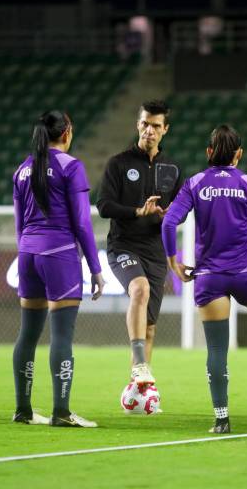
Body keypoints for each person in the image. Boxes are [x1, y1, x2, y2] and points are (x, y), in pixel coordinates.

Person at [162, 124, 247, 434]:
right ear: (239, 154)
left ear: (209, 153)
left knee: (216, 351)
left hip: (209, 278)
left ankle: (221, 419)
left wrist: (173, 263)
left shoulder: (195, 183)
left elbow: (169, 222)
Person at [12, 111, 105, 427]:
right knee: (62, 335)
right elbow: (81, 223)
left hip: (27, 254)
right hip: (59, 254)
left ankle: (23, 411)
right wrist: (95, 267)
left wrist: (27, 252)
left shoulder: (23, 169)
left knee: (28, 334)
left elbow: (19, 224)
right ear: (67, 133)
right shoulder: (71, 166)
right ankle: (61, 412)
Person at [96, 100, 183, 387]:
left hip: (155, 251)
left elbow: (180, 210)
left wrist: (170, 215)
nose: (149, 130)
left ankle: (139, 389)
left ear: (165, 130)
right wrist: (138, 211)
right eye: (145, 123)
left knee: (150, 326)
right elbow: (104, 205)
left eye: (156, 125)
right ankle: (140, 365)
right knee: (139, 289)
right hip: (124, 245)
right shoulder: (118, 163)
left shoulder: (172, 168)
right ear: (138, 125)